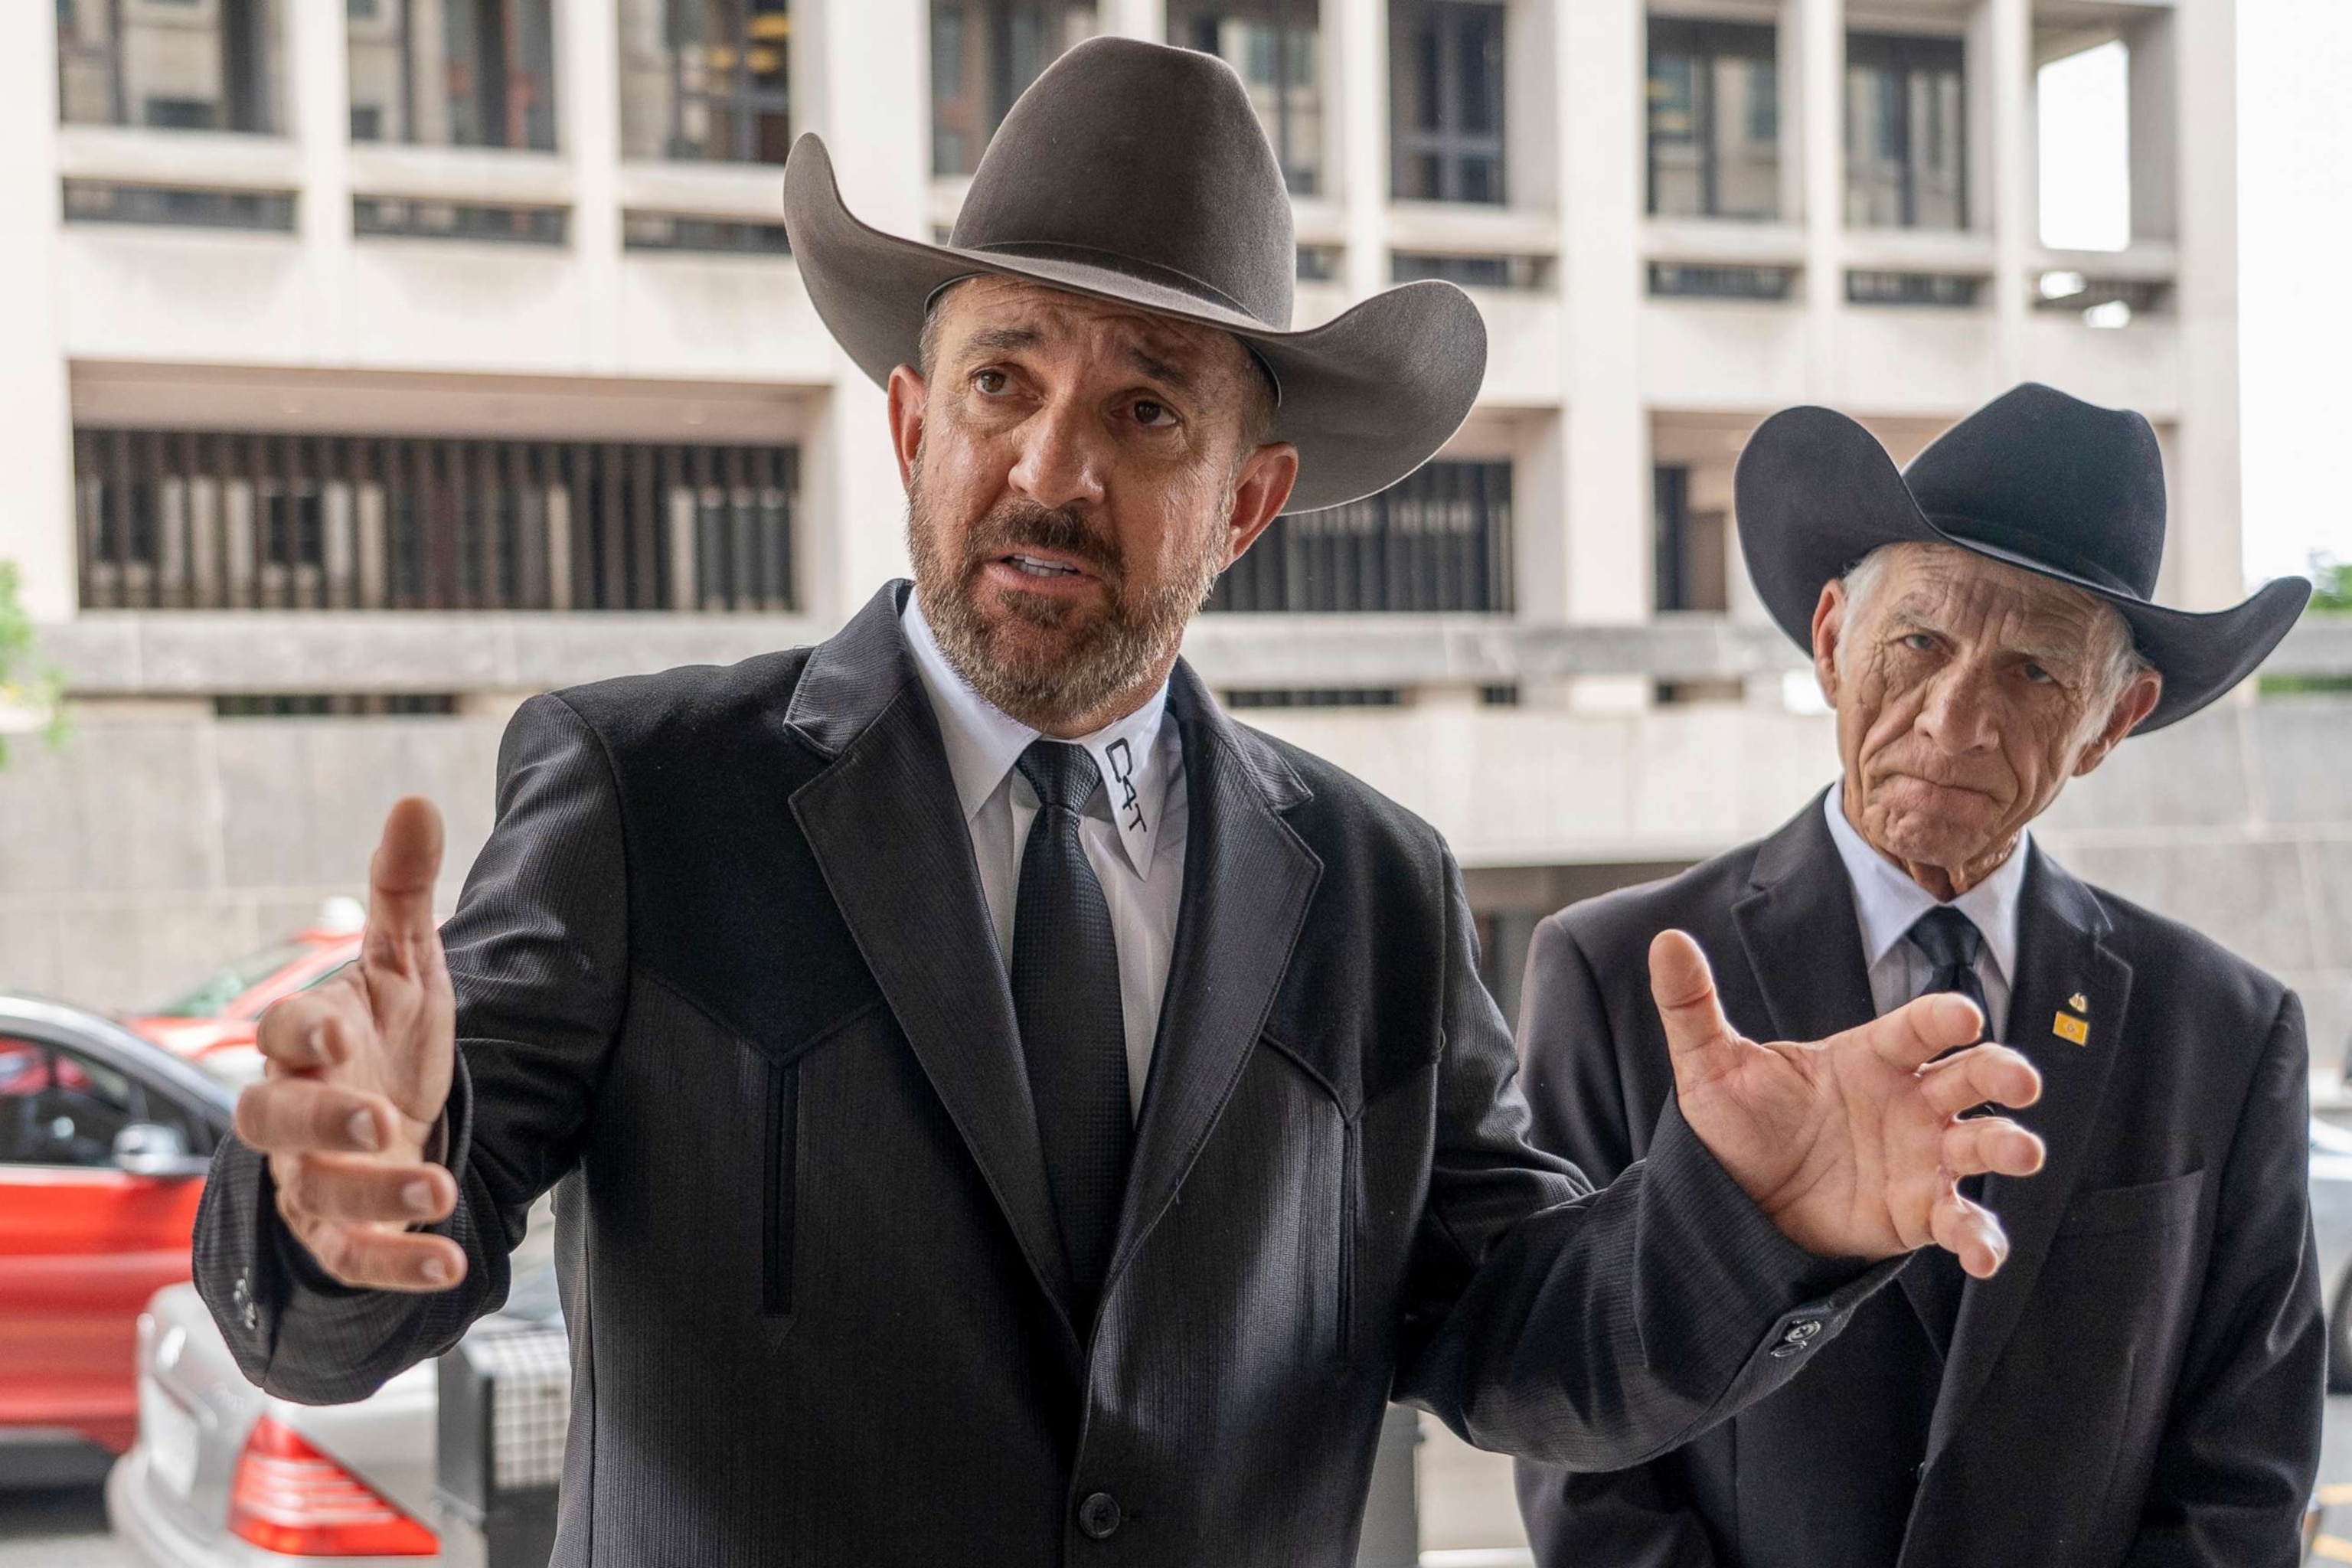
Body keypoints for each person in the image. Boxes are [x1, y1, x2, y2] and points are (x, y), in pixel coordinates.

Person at [193, 41, 2048, 1565]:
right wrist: (335, 1202)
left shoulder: (1379, 892)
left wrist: (1750, 1217)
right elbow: (379, 1261)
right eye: (1003, 381)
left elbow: (1515, 1337)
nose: (1053, 469)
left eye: (1150, 412)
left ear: (1249, 500)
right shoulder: (645, 795)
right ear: (915, 428)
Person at [1514, 384, 2320, 1568]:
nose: (1957, 721)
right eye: (1921, 643)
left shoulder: (2227, 1033)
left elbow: (2243, 1485)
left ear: (2116, 718)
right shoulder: (1619, 976)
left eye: (2037, 675)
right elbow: (1573, 1435)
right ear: (1834, 637)